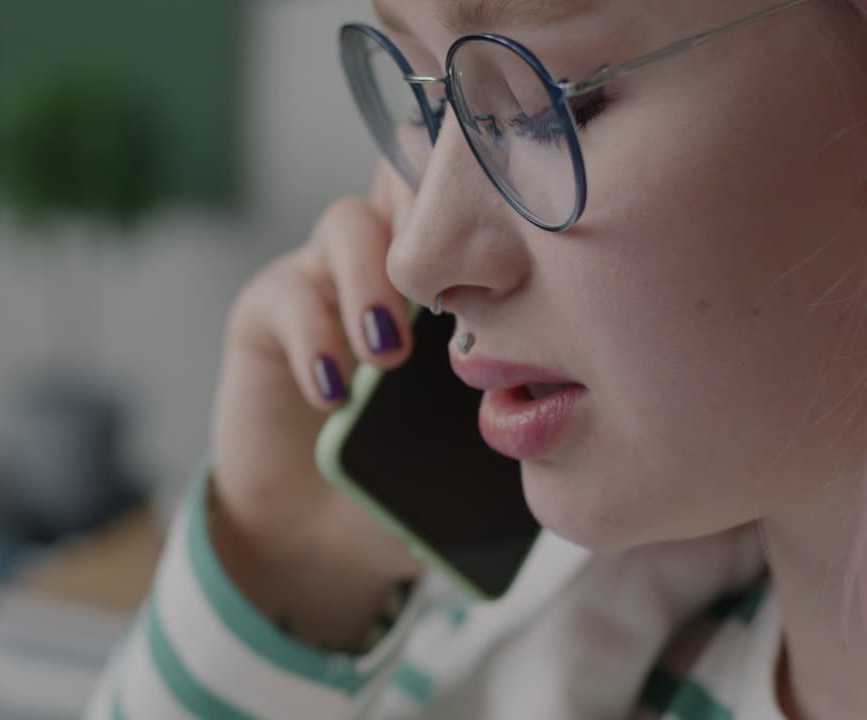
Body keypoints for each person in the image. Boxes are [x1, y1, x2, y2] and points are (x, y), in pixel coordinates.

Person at [85, 0, 867, 717]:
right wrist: (297, 572)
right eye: (430, 103)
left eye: (555, 99)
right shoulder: (502, 635)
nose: (417, 256)